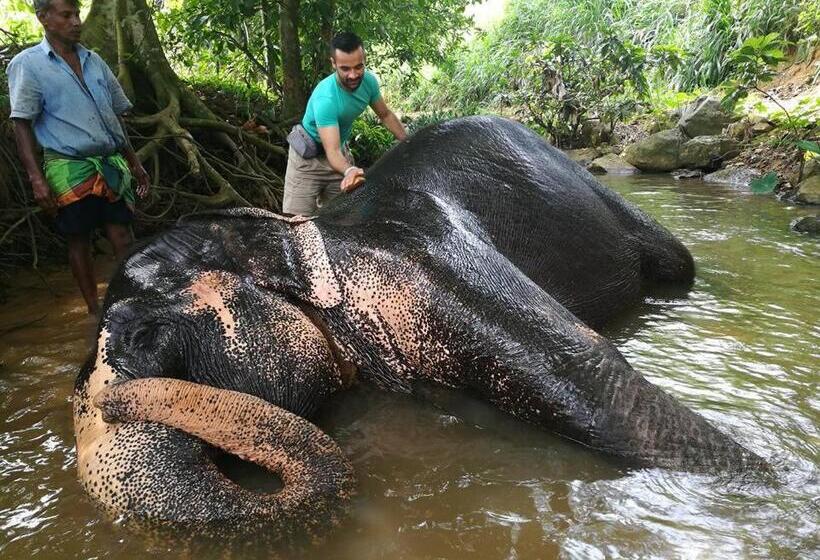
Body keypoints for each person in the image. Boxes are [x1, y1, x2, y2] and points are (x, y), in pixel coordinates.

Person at [8, 0, 150, 316]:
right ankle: (94, 311)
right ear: (43, 18)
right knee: (79, 240)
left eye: (77, 14)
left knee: (122, 235)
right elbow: (21, 124)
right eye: (66, 15)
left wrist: (134, 162)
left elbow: (116, 117)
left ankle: (133, 306)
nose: (76, 21)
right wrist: (36, 178)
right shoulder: (28, 64)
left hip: (109, 162)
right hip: (68, 167)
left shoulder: (94, 61)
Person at [282, 31, 407, 216]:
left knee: (345, 219)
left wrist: (409, 142)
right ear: (333, 64)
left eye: (358, 67)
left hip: (339, 155)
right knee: (294, 222)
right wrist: (350, 170)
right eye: (345, 69)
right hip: (308, 162)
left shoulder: (369, 83)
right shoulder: (326, 98)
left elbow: (386, 115)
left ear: (364, 60)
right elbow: (331, 150)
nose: (353, 75)